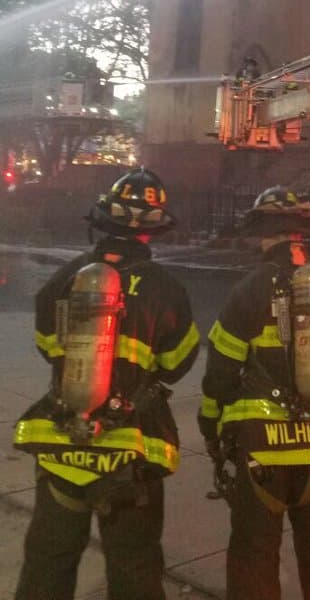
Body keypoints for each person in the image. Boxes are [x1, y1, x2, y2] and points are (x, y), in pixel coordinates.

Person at [13, 167, 200, 600]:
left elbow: (47, 345)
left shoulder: (66, 278)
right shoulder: (166, 288)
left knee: (48, 562)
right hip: (130, 456)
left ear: (102, 220)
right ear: (154, 229)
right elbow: (176, 364)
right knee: (134, 568)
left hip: (64, 447)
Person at [198, 185, 310, 600]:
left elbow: (220, 375)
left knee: (254, 554)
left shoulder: (247, 290)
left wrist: (210, 424)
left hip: (262, 449)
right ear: (301, 231)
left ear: (263, 231)